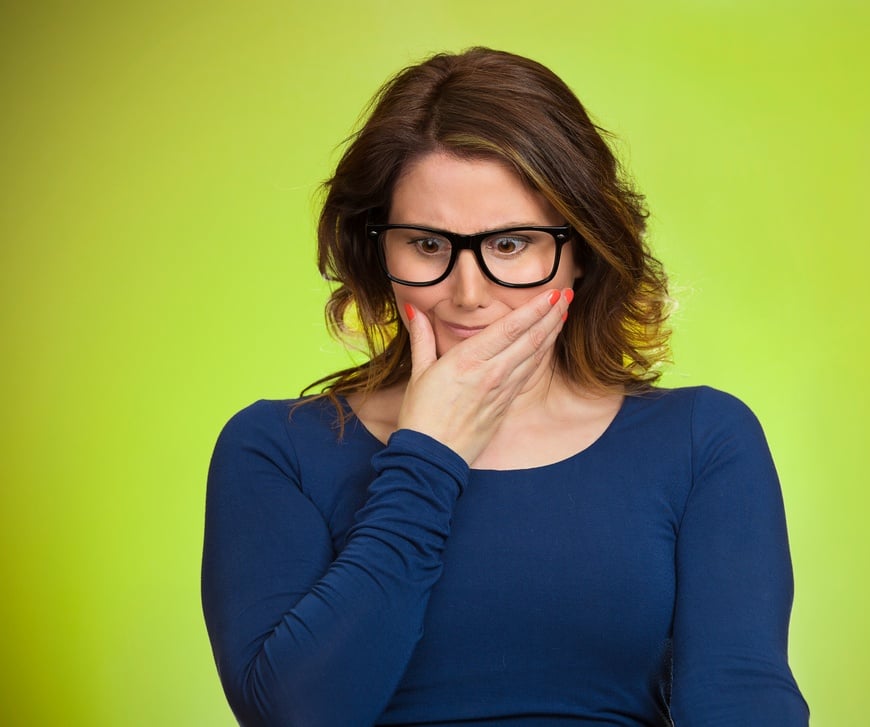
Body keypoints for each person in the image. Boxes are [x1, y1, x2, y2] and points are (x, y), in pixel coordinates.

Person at [201, 47, 809, 726]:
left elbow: (743, 699)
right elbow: (294, 714)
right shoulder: (275, 449)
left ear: (580, 248)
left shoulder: (703, 441)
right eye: (428, 245)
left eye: (512, 245)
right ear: (378, 249)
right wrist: (426, 457)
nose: (468, 294)